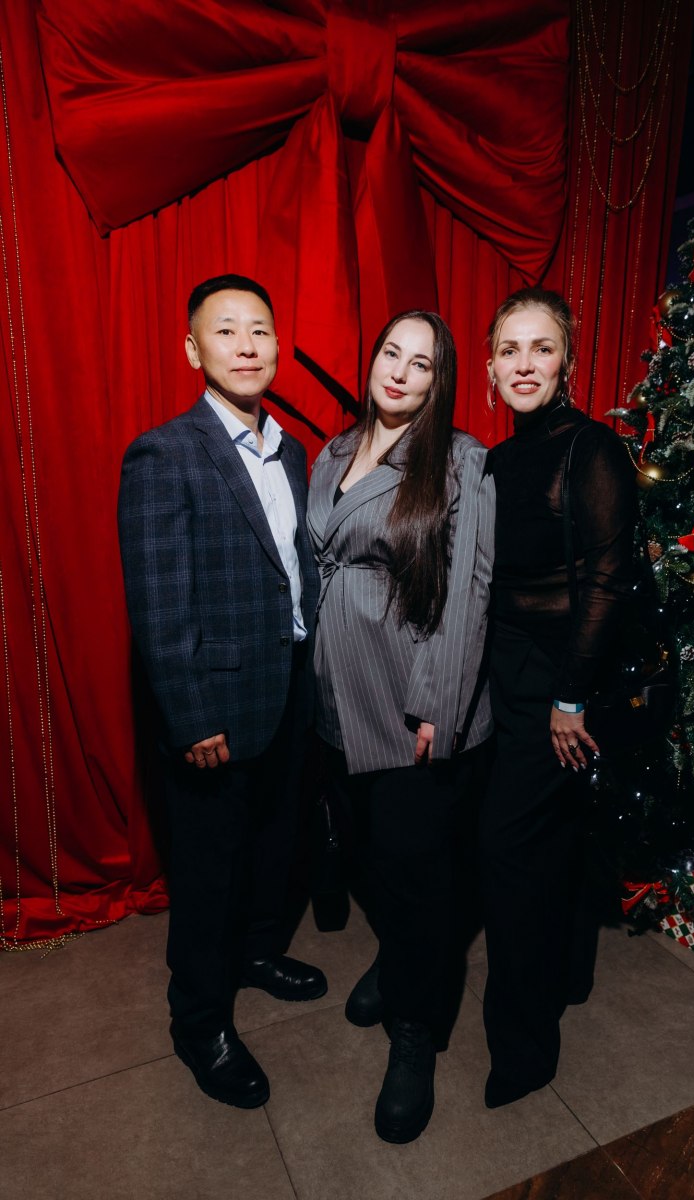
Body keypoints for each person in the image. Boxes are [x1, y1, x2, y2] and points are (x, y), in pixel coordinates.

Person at [117, 274, 326, 1110]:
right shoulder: (165, 453)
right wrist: (192, 715)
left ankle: (258, 952)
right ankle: (199, 1020)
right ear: (192, 349)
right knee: (208, 873)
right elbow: (158, 603)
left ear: (278, 346)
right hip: (216, 707)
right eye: (227, 330)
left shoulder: (293, 452)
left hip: (291, 689)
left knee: (275, 843)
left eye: (260, 330)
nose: (246, 345)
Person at [307, 310, 494, 1143]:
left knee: (419, 874)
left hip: (408, 700)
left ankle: (415, 1031)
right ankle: (396, 958)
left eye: (422, 364)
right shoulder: (334, 451)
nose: (400, 372)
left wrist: (438, 706)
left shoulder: (459, 462)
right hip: (335, 697)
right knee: (368, 855)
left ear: (438, 381)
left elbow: (471, 592)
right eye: (392, 353)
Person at [481, 287, 636, 1109]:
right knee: (555, 841)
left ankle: (523, 1049)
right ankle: (570, 976)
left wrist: (571, 697)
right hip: (506, 675)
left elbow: (608, 580)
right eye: (510, 349)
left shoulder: (592, 448)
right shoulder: (498, 460)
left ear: (567, 361)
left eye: (541, 348)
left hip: (561, 680)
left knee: (512, 857)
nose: (524, 364)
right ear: (489, 366)